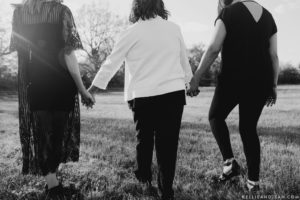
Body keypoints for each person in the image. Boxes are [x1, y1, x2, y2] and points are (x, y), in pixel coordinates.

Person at [88, 0, 193, 198]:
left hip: (143, 96)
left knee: (144, 139)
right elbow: (183, 60)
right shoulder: (174, 28)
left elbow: (112, 62)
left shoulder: (131, 32)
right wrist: (190, 82)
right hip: (173, 94)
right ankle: (166, 189)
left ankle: (144, 176)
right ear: (160, 6)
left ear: (136, 7)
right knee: (168, 144)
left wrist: (93, 88)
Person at [187, 0, 279, 192]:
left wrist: (196, 77)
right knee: (248, 128)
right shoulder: (269, 16)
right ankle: (253, 183)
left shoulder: (228, 13)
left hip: (232, 80)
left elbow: (213, 48)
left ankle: (230, 164)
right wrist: (273, 85)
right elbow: (273, 56)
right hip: (260, 81)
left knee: (215, 117)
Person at [10, 0, 94, 196]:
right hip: (61, 84)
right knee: (56, 135)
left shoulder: (20, 14)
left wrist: (25, 85)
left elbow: (22, 55)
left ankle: (51, 182)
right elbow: (69, 55)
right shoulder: (61, 12)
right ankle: (54, 186)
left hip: (36, 83)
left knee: (41, 135)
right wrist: (82, 90)